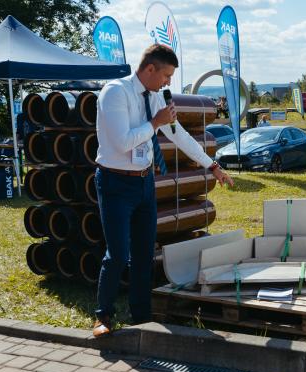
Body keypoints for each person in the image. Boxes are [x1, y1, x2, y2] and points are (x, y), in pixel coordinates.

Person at [92, 44, 234, 337]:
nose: (168, 83)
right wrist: (155, 123)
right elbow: (122, 142)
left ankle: (141, 316)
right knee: (117, 254)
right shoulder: (115, 93)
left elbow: (178, 134)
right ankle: (103, 316)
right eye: (166, 75)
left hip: (144, 182)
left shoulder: (155, 96)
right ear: (150, 69)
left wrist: (212, 166)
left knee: (145, 254)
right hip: (115, 182)